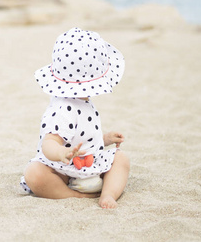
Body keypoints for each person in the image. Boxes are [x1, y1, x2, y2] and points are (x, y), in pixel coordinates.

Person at [20, 27, 130, 209]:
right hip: (63, 170)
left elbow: (84, 140)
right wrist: (60, 153)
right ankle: (72, 195)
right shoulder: (61, 108)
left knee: (121, 159)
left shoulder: (84, 101)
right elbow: (48, 143)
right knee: (34, 174)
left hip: (90, 164)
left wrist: (105, 140)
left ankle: (108, 194)